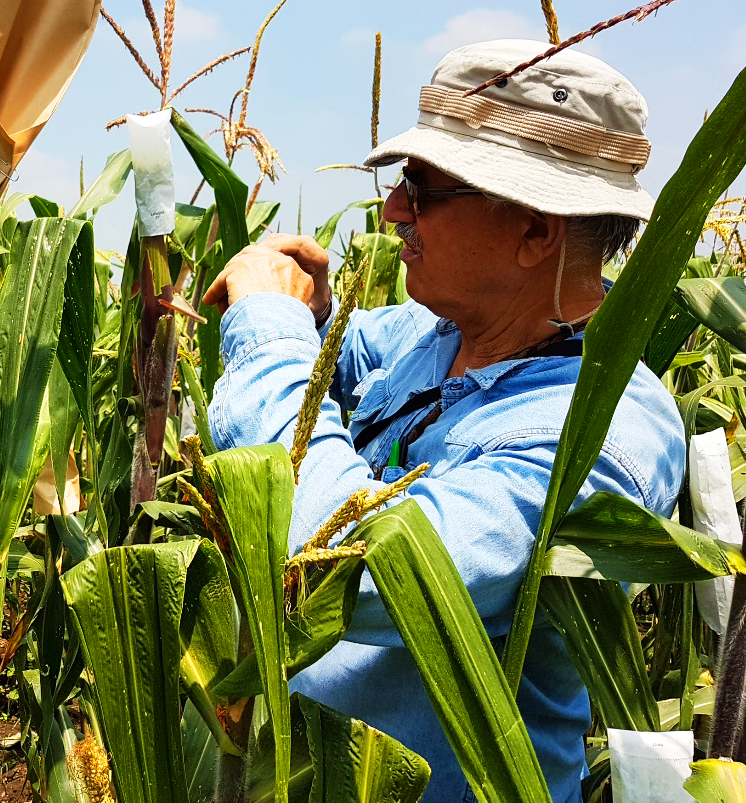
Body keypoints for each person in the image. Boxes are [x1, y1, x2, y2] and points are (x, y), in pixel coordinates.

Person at [202, 39, 685, 802]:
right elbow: (361, 346)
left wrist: (268, 328)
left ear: (533, 230)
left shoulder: (590, 435)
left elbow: (346, 571)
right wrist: (317, 309)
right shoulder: (450, 333)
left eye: (423, 191)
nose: (393, 210)